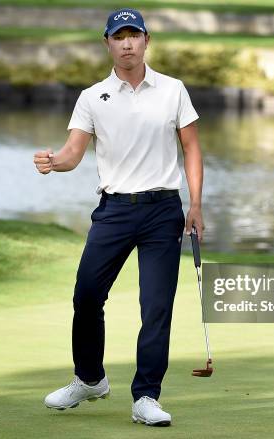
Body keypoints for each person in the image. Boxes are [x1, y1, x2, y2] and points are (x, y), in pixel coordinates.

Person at [33, 7, 204, 427]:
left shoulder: (173, 90)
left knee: (156, 306)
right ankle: (89, 379)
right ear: (107, 43)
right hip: (113, 211)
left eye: (134, 35)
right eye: (118, 36)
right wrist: (55, 162)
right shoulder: (92, 97)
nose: (127, 43)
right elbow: (74, 152)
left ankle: (146, 395)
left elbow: (192, 149)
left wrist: (195, 203)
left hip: (163, 209)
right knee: (87, 295)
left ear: (147, 41)